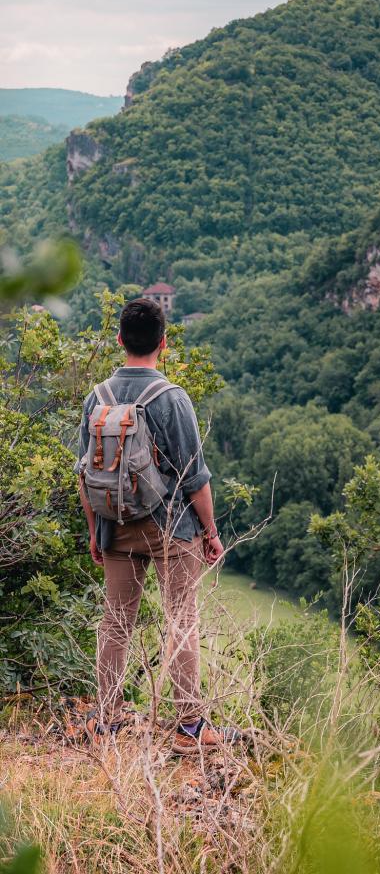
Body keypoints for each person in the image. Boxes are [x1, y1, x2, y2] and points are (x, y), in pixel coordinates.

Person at [76, 297, 225, 752]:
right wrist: (211, 533)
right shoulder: (171, 399)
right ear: (163, 343)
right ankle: (190, 728)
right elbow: (195, 479)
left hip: (115, 526)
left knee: (116, 623)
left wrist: (95, 531)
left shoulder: (96, 398)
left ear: (119, 340)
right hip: (170, 530)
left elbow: (84, 474)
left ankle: (104, 721)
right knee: (181, 619)